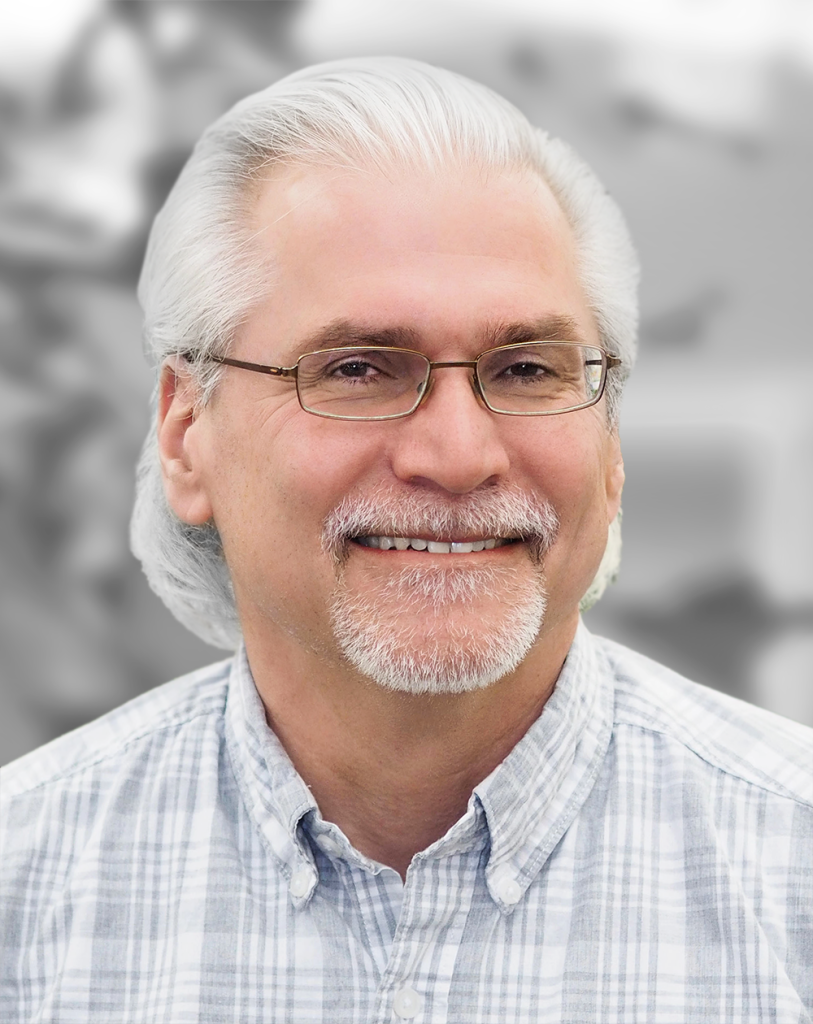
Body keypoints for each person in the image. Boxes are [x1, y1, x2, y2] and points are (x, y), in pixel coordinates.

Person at [1, 58, 810, 1023]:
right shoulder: (25, 888)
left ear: (610, 445)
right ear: (186, 436)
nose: (459, 453)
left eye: (524, 368)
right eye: (358, 367)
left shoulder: (789, 874)